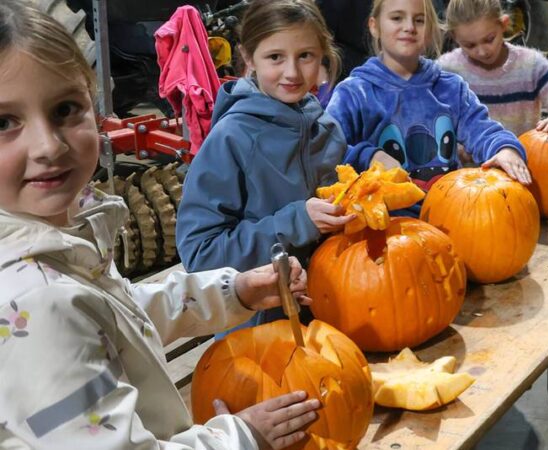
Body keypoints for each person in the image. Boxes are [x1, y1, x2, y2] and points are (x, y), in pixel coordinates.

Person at [0, 2, 320, 448]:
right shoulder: (37, 301)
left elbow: (120, 313)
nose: (47, 146)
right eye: (4, 122)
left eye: (65, 109)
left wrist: (235, 291)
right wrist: (241, 437)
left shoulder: (57, 238)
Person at [176, 0, 354, 330]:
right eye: (275, 57)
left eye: (306, 56)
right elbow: (200, 255)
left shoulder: (327, 129)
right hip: (258, 331)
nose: (292, 72)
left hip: (327, 317)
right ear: (248, 58)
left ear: (322, 55)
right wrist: (297, 221)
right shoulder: (231, 139)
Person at [326, 0, 531, 213]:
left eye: (419, 20)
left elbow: (481, 129)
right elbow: (327, 150)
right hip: (385, 222)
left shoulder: (451, 88)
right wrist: (368, 156)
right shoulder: (353, 93)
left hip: (451, 213)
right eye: (397, 18)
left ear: (431, 30)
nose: (409, 27)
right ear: (374, 26)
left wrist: (503, 148)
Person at [438, 0, 548, 137]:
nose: (482, 51)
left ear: (503, 24)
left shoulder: (530, 65)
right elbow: (426, 117)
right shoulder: (447, 69)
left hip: (522, 164)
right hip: (467, 169)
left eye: (489, 39)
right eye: (470, 45)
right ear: (454, 37)